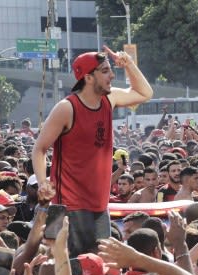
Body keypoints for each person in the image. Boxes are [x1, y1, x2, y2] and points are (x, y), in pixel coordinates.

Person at [32, 47, 153, 256]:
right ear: (88, 78)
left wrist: (129, 65)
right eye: (105, 71)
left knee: (97, 268)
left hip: (100, 204)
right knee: (71, 268)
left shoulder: (110, 98)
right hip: (69, 206)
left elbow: (145, 93)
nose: (112, 75)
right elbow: (39, 149)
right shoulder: (66, 108)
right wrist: (43, 183)